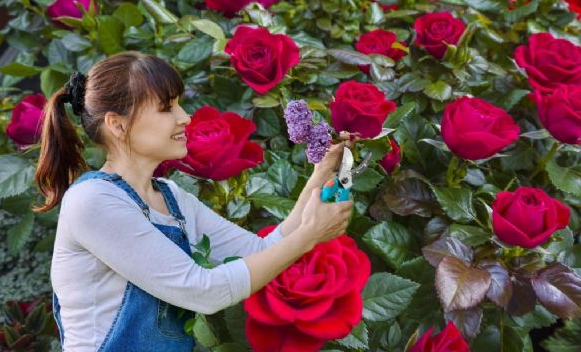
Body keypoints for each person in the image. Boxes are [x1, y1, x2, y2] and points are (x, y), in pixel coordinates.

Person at [33, 51, 353, 352]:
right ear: (117, 124)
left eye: (179, 105)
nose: (185, 117)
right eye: (166, 107)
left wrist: (321, 172)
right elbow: (204, 290)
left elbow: (260, 253)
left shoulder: (171, 198)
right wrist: (308, 235)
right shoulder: (93, 202)